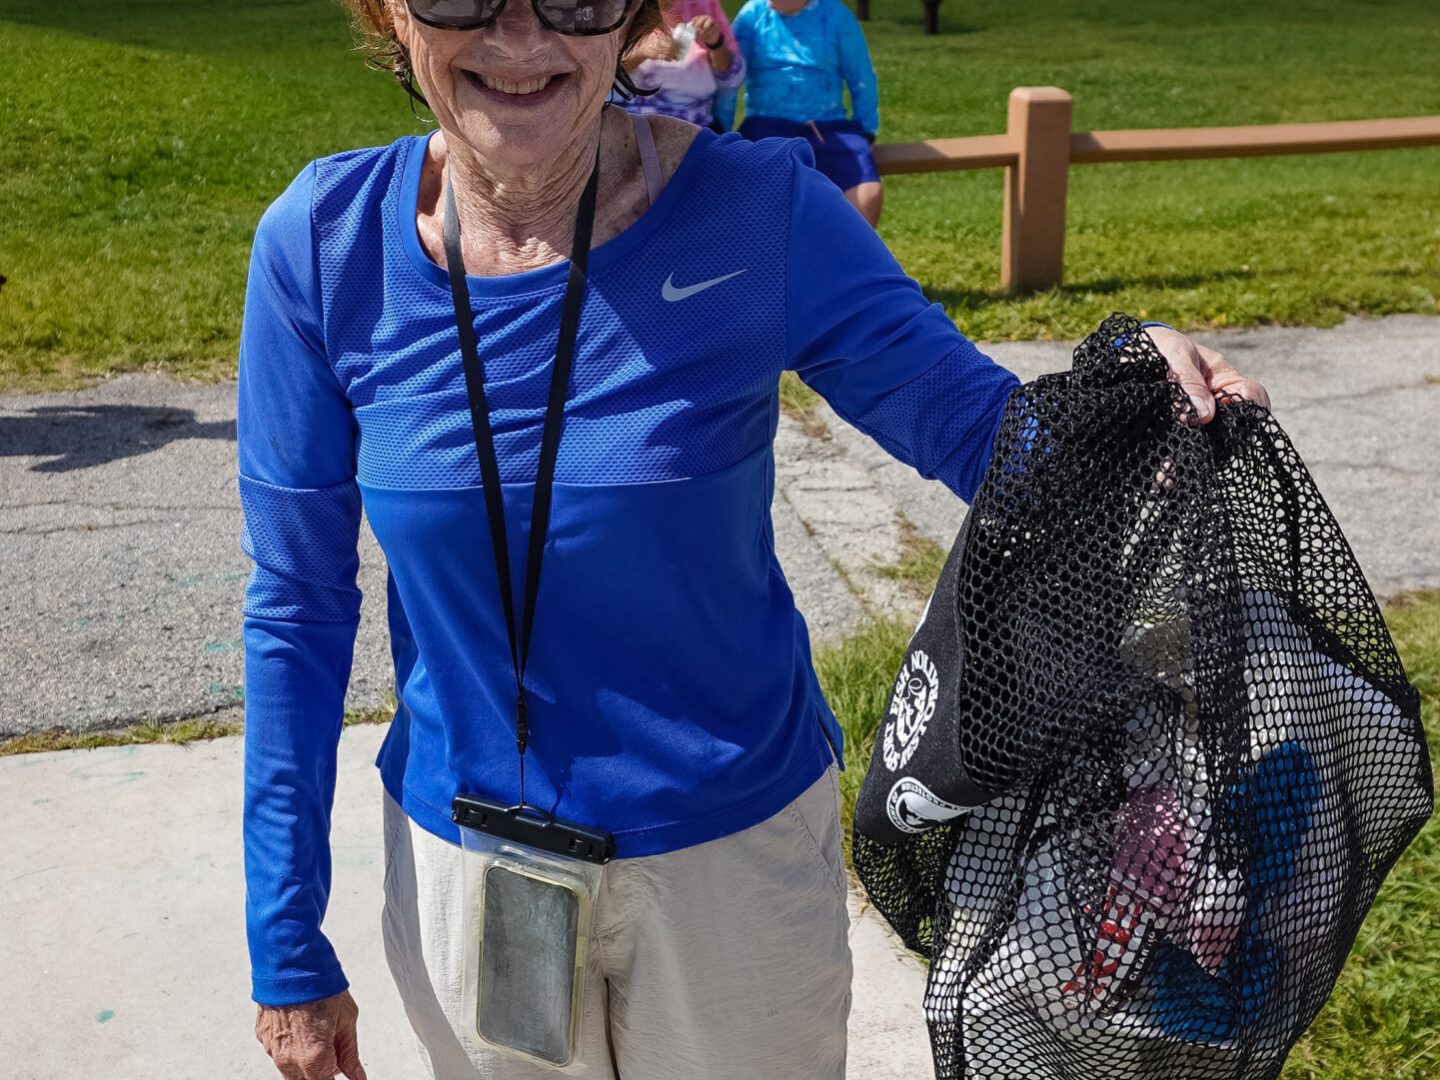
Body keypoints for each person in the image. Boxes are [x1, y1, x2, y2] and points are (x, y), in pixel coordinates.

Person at [238, 0, 1271, 1076]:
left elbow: (985, 435)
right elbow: (297, 609)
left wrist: (1130, 387)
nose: (522, 36)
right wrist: (286, 945)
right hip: (469, 856)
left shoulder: (759, 209)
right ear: (390, 14)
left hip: (727, 858)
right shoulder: (322, 246)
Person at [732, 0, 884, 225]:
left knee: (867, 193)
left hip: (828, 125)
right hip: (766, 123)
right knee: (759, 196)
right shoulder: (752, 15)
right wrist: (720, 128)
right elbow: (730, 78)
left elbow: (860, 75)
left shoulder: (835, 14)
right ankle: (773, 256)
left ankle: (844, 258)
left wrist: (867, 128)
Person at [620, 0, 745, 132]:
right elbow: (605, 73)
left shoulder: (703, 5)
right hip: (631, 128)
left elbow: (732, 78)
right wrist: (642, 53)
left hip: (696, 127)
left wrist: (715, 43)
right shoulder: (624, 8)